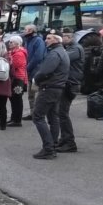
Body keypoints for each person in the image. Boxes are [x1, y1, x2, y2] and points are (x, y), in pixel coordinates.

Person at [31, 32, 69, 160]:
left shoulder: (55, 53)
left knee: (38, 116)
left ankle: (48, 148)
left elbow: (45, 71)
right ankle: (52, 146)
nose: (46, 40)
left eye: (48, 38)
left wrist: (36, 79)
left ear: (56, 40)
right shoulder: (62, 51)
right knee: (53, 118)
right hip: (57, 88)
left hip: (49, 88)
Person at [55, 28, 84, 152]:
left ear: (71, 37)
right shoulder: (70, 48)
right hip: (68, 83)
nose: (63, 38)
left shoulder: (75, 49)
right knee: (60, 112)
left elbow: (62, 58)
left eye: (66, 36)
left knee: (63, 113)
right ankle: (64, 139)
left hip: (70, 84)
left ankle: (70, 142)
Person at [23, 24, 46, 120]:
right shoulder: (28, 41)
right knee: (31, 94)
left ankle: (38, 114)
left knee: (36, 94)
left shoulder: (38, 41)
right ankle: (33, 113)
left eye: (25, 29)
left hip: (36, 72)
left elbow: (38, 57)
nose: (24, 31)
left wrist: (27, 68)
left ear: (31, 30)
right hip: (31, 72)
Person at [7, 36, 28, 127]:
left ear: (17, 44)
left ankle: (17, 120)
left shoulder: (19, 54)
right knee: (13, 99)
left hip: (18, 78)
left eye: (11, 42)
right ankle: (13, 118)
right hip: (15, 78)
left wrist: (8, 61)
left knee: (17, 99)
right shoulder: (13, 52)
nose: (9, 43)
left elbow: (14, 65)